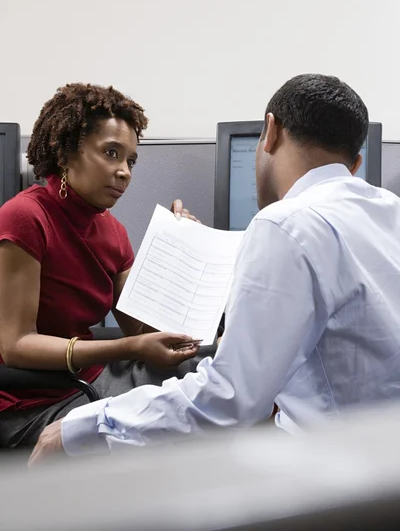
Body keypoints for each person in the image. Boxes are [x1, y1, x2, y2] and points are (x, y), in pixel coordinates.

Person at [29, 73, 400, 464]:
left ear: (270, 132)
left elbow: (229, 401)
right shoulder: (389, 212)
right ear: (355, 163)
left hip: (340, 471)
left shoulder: (285, 224)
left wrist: (80, 429)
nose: (123, 171)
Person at [0, 83, 212, 449]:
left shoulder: (113, 232)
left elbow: (141, 330)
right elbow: (16, 346)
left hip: (93, 379)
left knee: (210, 374)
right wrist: (126, 350)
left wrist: (179, 250)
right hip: (36, 401)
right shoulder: (25, 217)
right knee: (180, 418)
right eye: (111, 153)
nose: (124, 172)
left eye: (129, 160)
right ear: (66, 154)